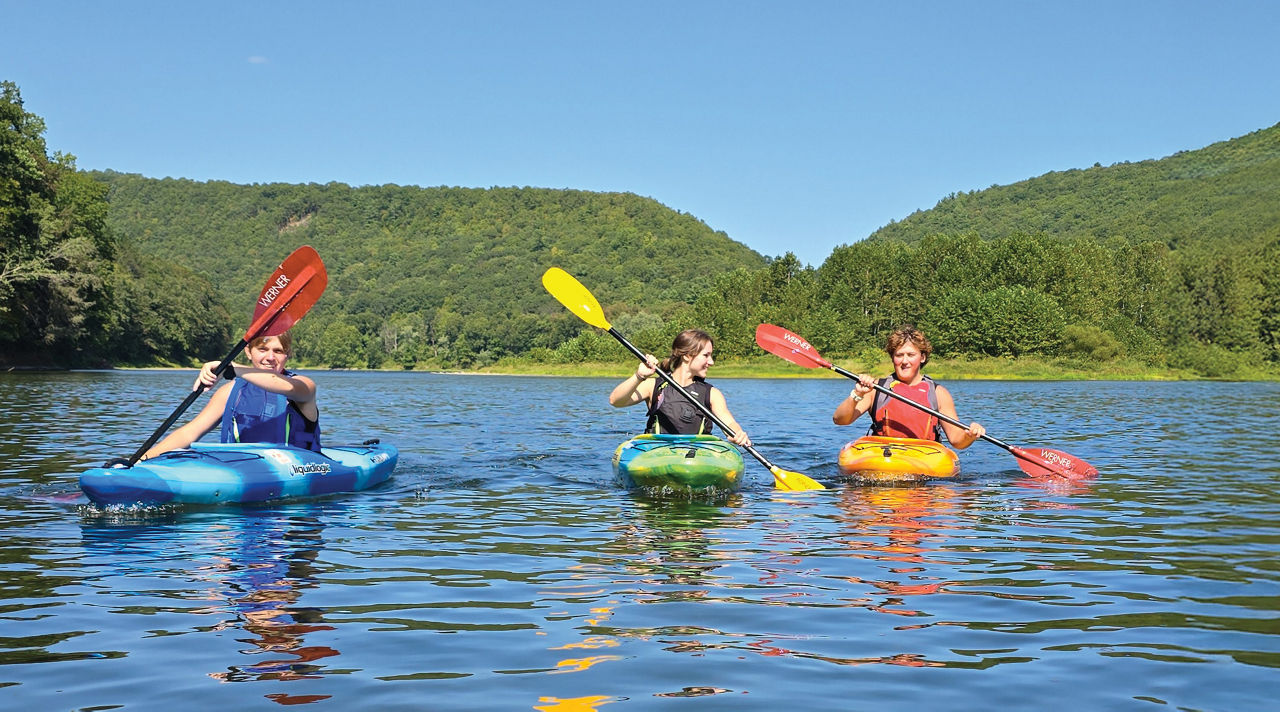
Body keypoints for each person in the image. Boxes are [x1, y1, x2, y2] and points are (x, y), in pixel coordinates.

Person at [143, 332, 321, 459]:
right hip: (243, 465)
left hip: (298, 467)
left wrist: (229, 368)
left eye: (278, 351)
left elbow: (277, 383)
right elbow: (189, 433)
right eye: (262, 349)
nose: (270, 357)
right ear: (248, 352)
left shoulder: (303, 386)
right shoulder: (229, 392)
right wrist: (141, 461)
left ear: (287, 355)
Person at [832, 325, 985, 449]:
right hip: (884, 455)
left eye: (911, 355)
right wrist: (856, 394)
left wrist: (969, 435)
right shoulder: (877, 388)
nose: (905, 361)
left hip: (924, 458)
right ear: (893, 357)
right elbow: (840, 420)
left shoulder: (938, 393)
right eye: (899, 355)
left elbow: (956, 440)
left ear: (922, 357)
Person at [609, 329, 752, 446]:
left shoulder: (712, 394)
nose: (711, 362)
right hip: (657, 453)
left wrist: (737, 433)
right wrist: (639, 376)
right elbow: (616, 401)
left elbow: (729, 423)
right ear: (687, 356)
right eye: (706, 355)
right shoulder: (654, 385)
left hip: (696, 456)